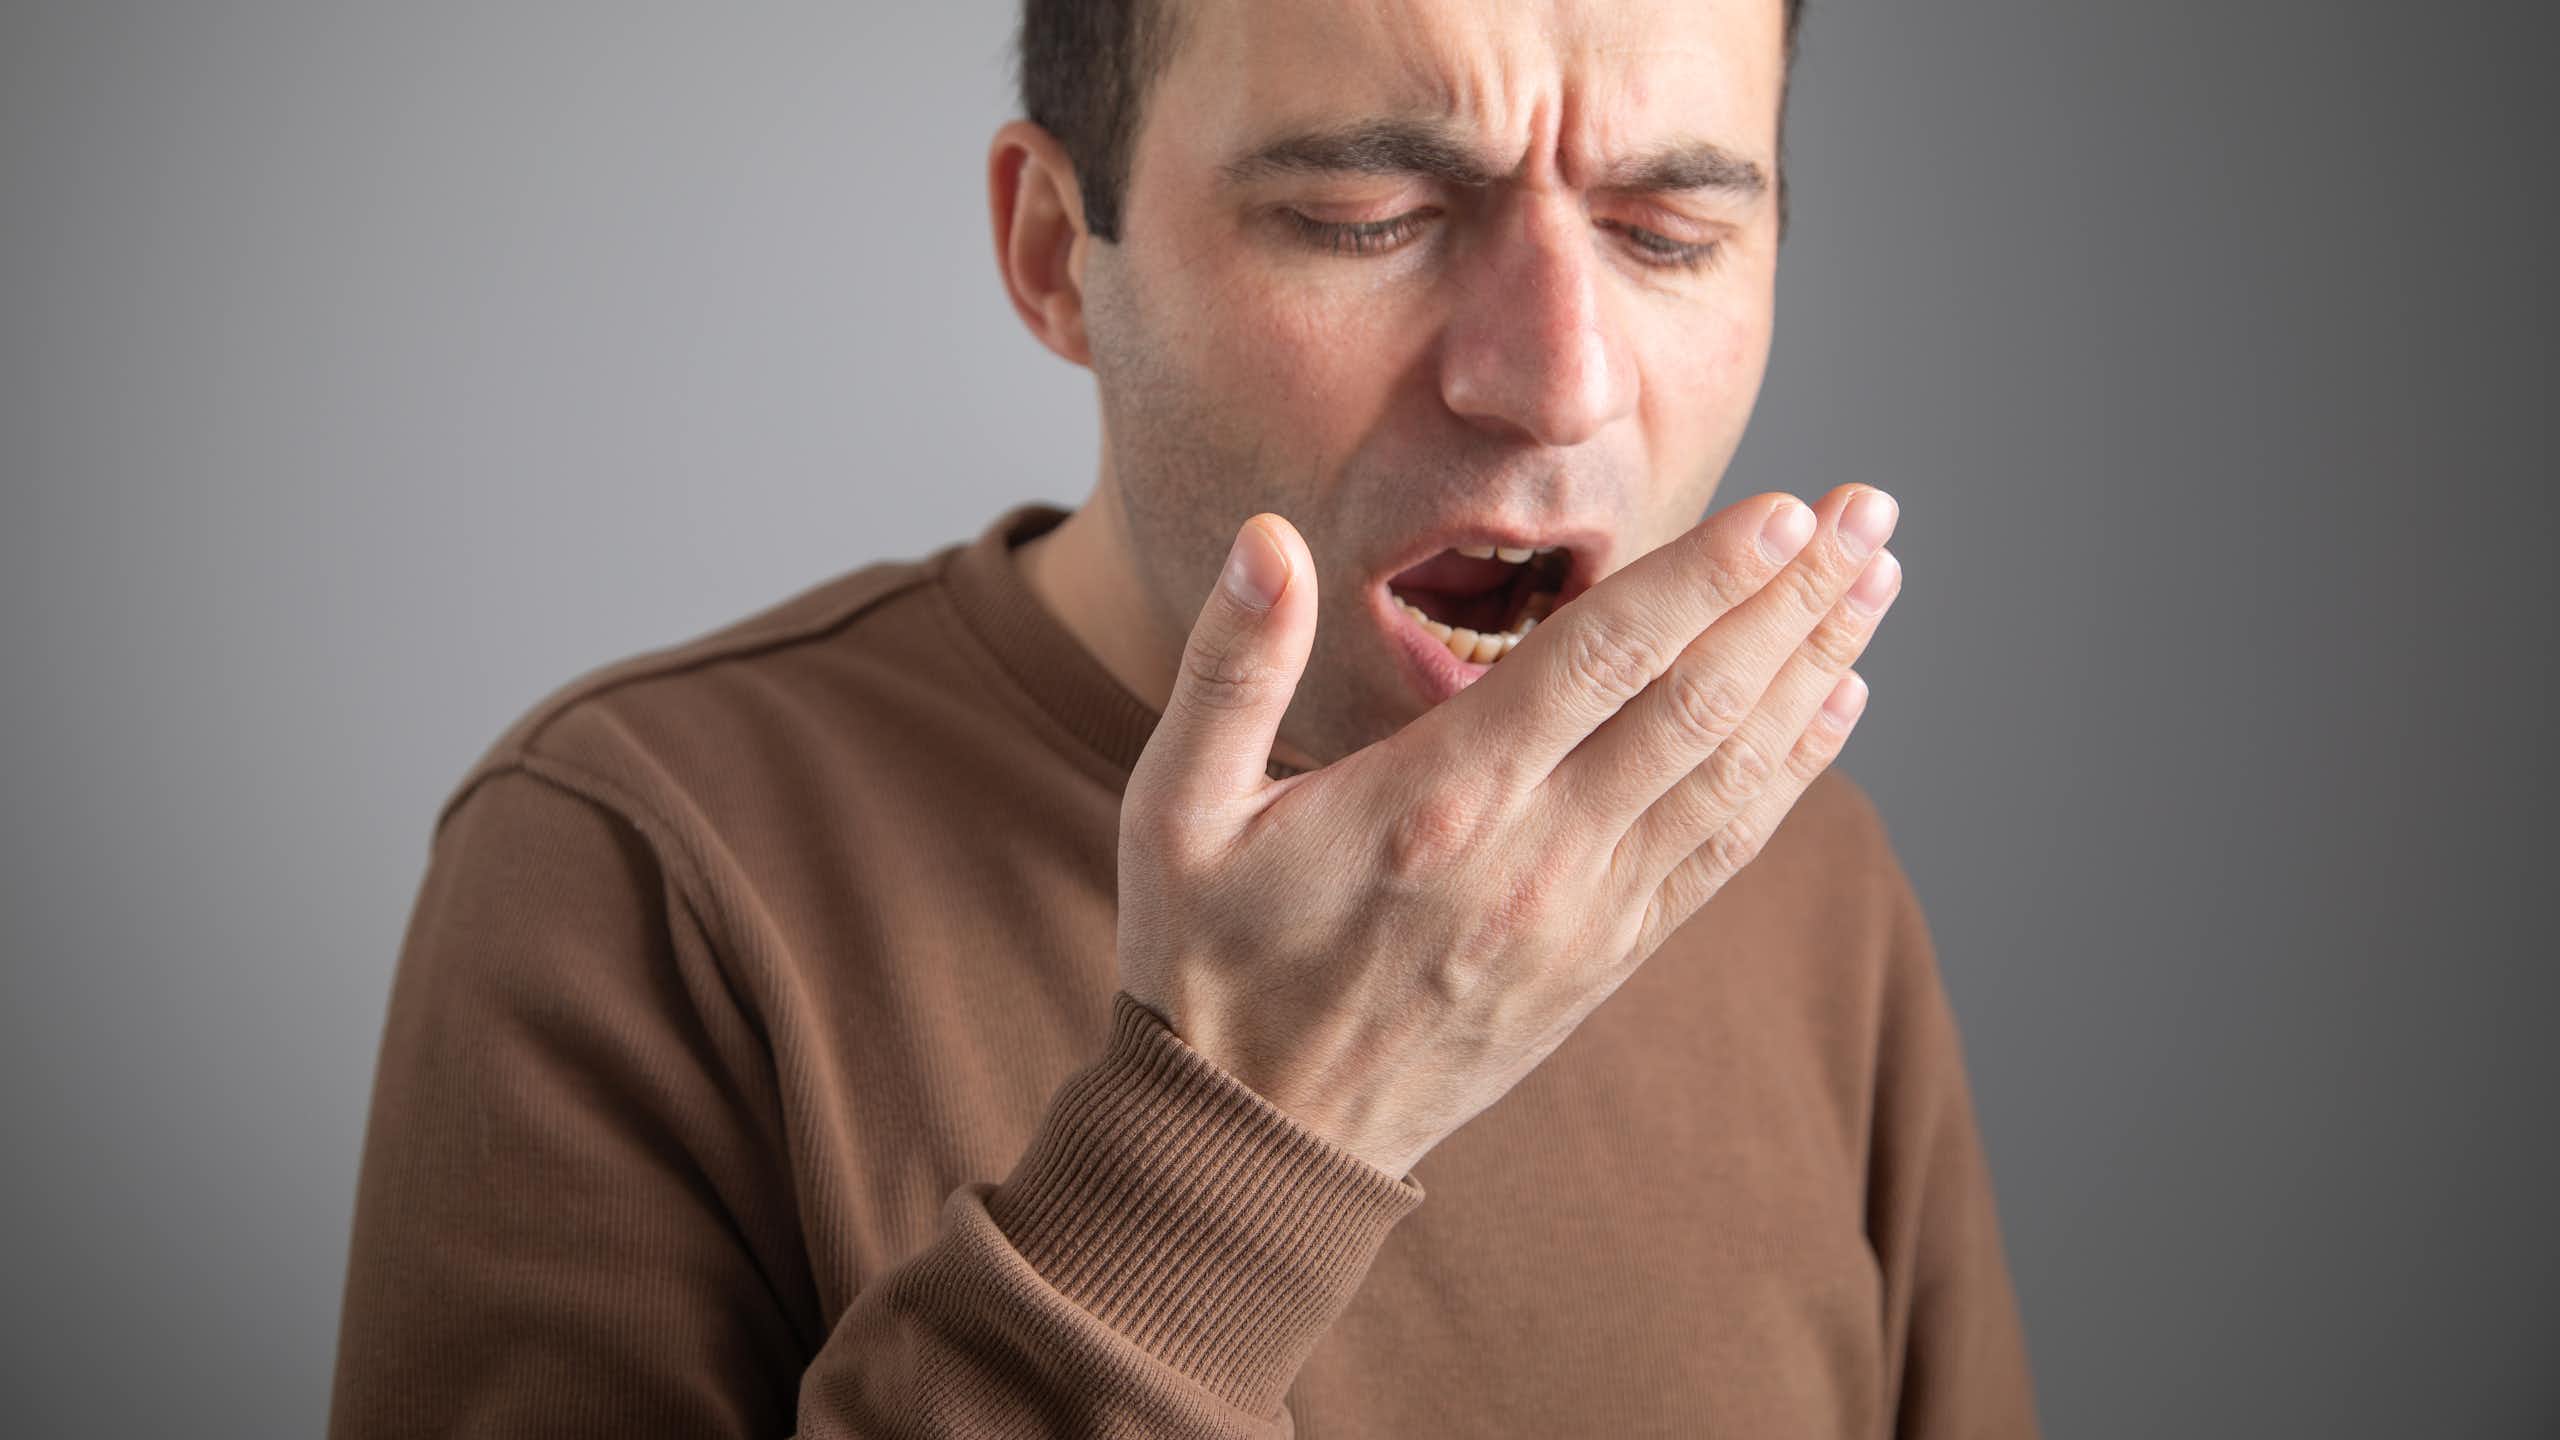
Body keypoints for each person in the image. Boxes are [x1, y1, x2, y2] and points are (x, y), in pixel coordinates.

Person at [327, 0, 2041, 1434]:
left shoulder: (1792, 862)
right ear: (1056, 254)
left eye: (1672, 233)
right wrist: (1244, 1137)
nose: (1558, 373)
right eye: (1368, 211)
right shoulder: (635, 864)